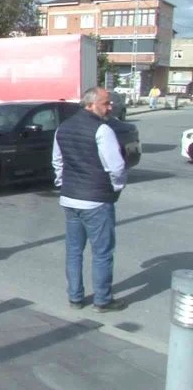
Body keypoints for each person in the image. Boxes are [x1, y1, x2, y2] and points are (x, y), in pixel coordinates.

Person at [52, 87, 127, 313]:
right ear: (90, 104)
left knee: (74, 251)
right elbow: (116, 167)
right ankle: (102, 300)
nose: (110, 107)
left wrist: (62, 184)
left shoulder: (63, 128)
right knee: (102, 252)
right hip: (96, 200)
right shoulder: (102, 130)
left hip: (70, 198)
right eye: (105, 103)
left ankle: (75, 298)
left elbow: (57, 161)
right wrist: (116, 186)